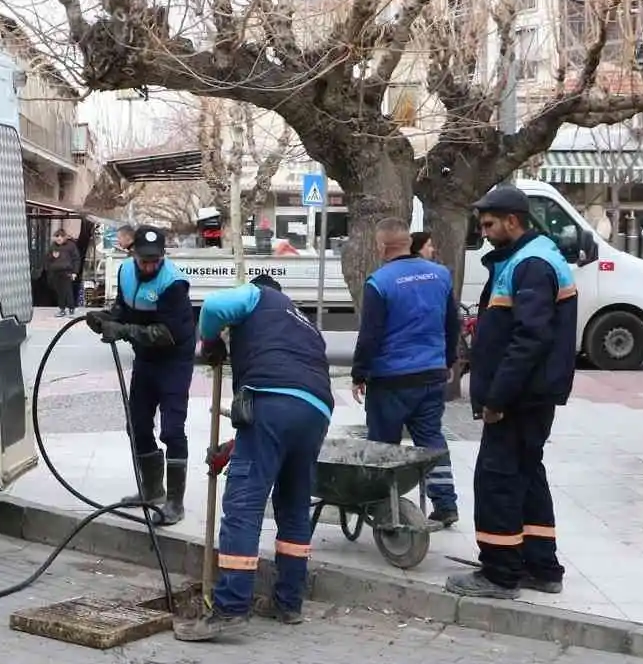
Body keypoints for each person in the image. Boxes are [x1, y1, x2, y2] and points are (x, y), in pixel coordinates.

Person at [175, 273, 334, 640]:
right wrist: (234, 450)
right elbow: (277, 429)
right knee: (294, 507)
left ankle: (230, 607)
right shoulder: (304, 322)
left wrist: (210, 339)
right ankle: (288, 603)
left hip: (272, 400)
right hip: (315, 412)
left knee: (243, 506)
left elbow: (214, 306)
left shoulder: (257, 294)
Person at [447, 184, 578, 600]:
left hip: (519, 398)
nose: (483, 232)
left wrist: (497, 399)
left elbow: (529, 339)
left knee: (497, 479)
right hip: (531, 395)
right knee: (526, 474)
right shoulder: (529, 260)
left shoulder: (531, 265)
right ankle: (541, 566)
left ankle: (501, 572)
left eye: (488, 224)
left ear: (512, 221)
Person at [351, 217, 460, 527]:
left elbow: (370, 336)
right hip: (431, 374)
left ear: (382, 246)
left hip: (391, 381)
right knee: (431, 442)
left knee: (384, 446)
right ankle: (446, 504)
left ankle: (381, 505)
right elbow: (451, 324)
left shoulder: (380, 282)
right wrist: (448, 360)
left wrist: (360, 374)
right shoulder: (440, 275)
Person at [86, 226, 194, 524]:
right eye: (144, 260)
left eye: (155, 260)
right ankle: (151, 491)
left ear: (163, 256)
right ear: (132, 253)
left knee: (172, 430)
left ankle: (175, 503)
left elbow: (167, 333)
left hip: (173, 361)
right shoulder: (125, 272)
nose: (149, 266)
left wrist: (124, 331)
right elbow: (123, 310)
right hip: (146, 359)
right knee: (138, 426)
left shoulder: (173, 283)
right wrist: (105, 319)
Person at [45, 229, 81, 317]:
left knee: (68, 290)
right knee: (59, 291)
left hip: (67, 271)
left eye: (60, 237)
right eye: (57, 237)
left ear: (64, 237)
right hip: (56, 272)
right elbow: (47, 259)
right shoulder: (53, 246)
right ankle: (62, 309)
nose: (58, 239)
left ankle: (71, 309)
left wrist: (74, 272)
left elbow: (76, 259)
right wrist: (52, 257)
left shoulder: (71, 246)